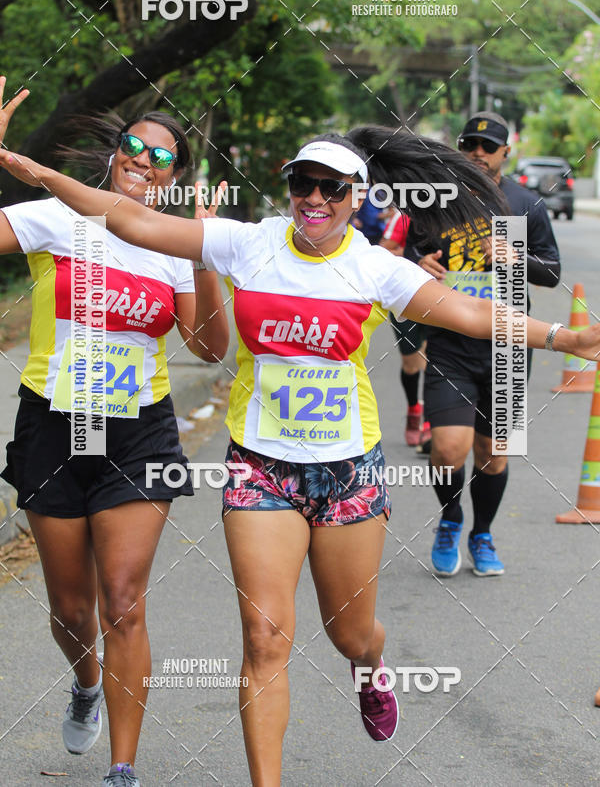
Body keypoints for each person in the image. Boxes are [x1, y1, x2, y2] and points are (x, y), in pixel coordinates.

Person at [2, 121, 597, 787]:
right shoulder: (249, 243)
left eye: (331, 188)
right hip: (260, 470)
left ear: (355, 196)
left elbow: (469, 312)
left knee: (352, 633)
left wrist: (563, 337)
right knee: (264, 641)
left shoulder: (373, 267)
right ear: (289, 187)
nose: (315, 198)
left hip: (347, 471)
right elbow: (133, 224)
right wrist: (44, 178)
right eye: (303, 183)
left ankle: (370, 668)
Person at [0, 76, 229, 787]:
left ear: (175, 179)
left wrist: (202, 252)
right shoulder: (53, 219)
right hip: (54, 425)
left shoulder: (172, 246)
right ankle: (86, 680)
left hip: (139, 433)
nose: (143, 159)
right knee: (72, 608)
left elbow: (211, 348)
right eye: (134, 145)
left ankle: (122, 769)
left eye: (161, 157)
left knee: (123, 600)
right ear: (114, 157)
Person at [404, 111, 561, 577]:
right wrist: (420, 263)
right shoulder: (438, 202)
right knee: (448, 449)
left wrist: (517, 258)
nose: (478, 152)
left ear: (504, 153)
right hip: (451, 343)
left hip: (510, 345)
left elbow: (552, 273)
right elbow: (413, 255)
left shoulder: (525, 204)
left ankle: (482, 533)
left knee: (493, 454)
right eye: (470, 144)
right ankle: (451, 519)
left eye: (488, 146)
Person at [379, 209, 430, 447]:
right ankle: (413, 410)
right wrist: (414, 258)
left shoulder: (454, 213)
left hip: (442, 299)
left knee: (434, 359)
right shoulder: (406, 216)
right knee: (412, 364)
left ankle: (431, 422)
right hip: (406, 298)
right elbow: (383, 250)